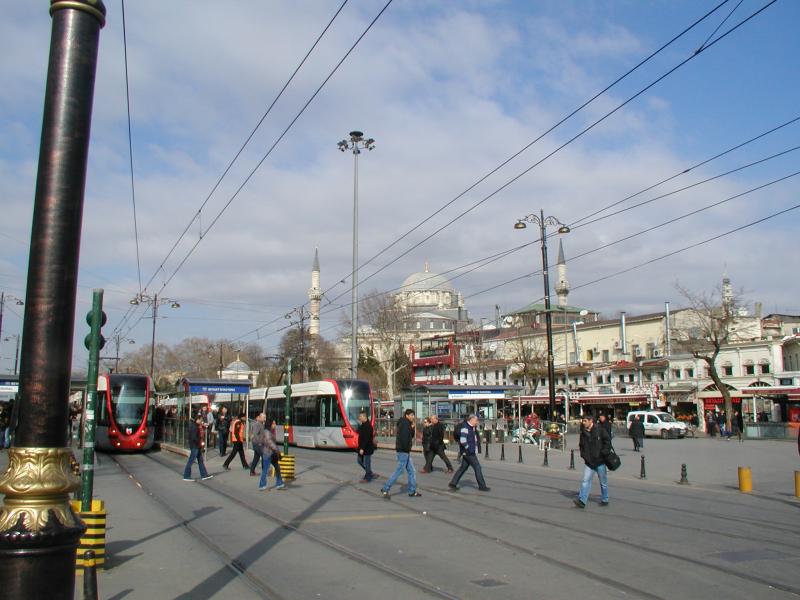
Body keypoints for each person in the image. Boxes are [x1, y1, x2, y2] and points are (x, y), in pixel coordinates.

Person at [381, 409, 421, 498]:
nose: (413, 417)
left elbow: (409, 436)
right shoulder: (405, 424)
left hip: (404, 451)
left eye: (413, 415)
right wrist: (406, 449)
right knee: (399, 470)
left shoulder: (405, 424)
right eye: (411, 415)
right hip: (404, 451)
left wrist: (412, 428)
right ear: (406, 415)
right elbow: (404, 438)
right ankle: (386, 488)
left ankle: (412, 491)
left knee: (411, 471)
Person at [574, 415, 611, 508]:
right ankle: (582, 500)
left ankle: (605, 498)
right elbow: (581, 445)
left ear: (591, 421)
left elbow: (607, 441)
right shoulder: (583, 433)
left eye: (585, 421)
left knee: (603, 482)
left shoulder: (600, 430)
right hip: (589, 462)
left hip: (600, 461)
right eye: (583, 421)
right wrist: (584, 455)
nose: (583, 422)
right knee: (585, 481)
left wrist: (603, 453)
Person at [449, 415, 489, 491]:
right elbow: (463, 440)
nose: (477, 422)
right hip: (469, 452)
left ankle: (453, 483)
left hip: (468, 452)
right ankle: (482, 485)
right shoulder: (465, 428)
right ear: (471, 420)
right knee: (477, 467)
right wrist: (469, 448)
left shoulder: (471, 428)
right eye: (476, 420)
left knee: (463, 468)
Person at [253, 413, 285, 491]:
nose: (275, 425)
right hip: (268, 453)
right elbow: (270, 443)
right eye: (274, 423)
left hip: (272, 453)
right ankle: (262, 485)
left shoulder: (270, 431)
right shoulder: (267, 432)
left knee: (277, 467)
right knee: (265, 469)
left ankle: (279, 483)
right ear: (270, 424)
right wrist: (278, 452)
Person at [183, 414, 213, 481]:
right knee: (191, 461)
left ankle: (204, 475)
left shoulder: (196, 426)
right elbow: (194, 438)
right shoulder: (194, 427)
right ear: (198, 420)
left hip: (197, 446)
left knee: (200, 461)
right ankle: (186, 476)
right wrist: (199, 443)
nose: (202, 421)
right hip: (195, 446)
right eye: (201, 420)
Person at [356, 412, 376, 482]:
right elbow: (357, 431)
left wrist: (362, 448)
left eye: (360, 417)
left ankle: (368, 477)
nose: (359, 418)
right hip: (361, 447)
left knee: (367, 463)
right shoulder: (363, 425)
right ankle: (370, 473)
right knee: (359, 461)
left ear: (365, 417)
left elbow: (366, 439)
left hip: (367, 448)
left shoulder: (368, 426)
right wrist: (359, 424)